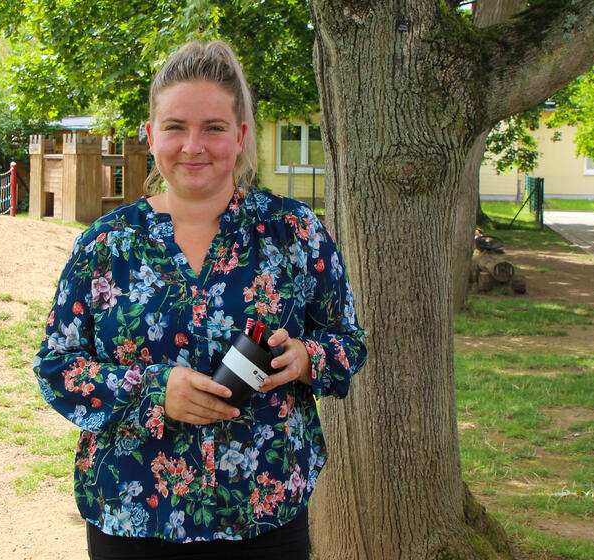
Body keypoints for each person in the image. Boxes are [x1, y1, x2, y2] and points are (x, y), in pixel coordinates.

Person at [33, 40, 367, 560]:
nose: (193, 146)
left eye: (213, 128)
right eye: (175, 127)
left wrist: (306, 358)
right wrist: (152, 391)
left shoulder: (294, 232)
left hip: (264, 517)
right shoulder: (105, 244)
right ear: (151, 135)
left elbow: (348, 341)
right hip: (133, 517)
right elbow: (57, 368)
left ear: (240, 136)